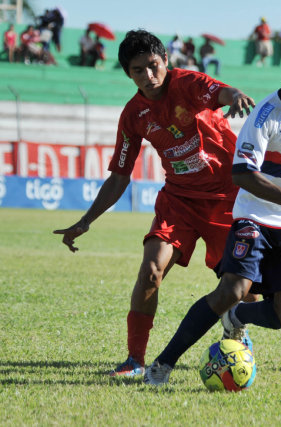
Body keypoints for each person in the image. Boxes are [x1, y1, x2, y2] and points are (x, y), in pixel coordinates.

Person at [143, 37, 281, 385]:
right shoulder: (266, 114)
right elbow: (241, 174)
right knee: (231, 289)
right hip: (257, 217)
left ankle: (236, 317)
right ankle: (162, 364)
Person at [53, 29, 256, 377]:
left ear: (165, 61)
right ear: (128, 74)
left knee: (244, 289)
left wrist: (235, 94)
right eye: (137, 70)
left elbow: (220, 91)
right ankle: (134, 361)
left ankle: (235, 326)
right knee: (150, 271)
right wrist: (85, 221)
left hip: (228, 199)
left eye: (153, 65)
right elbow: (119, 176)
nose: (148, 76)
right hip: (179, 201)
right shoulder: (133, 115)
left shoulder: (186, 83)